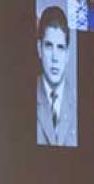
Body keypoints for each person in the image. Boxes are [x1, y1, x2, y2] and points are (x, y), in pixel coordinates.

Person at [37, 6, 77, 146]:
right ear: (39, 49)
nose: (55, 57)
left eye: (60, 47)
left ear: (67, 54)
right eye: (48, 46)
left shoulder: (77, 101)